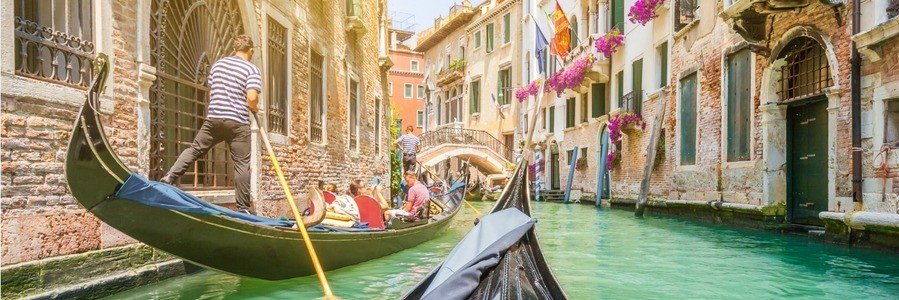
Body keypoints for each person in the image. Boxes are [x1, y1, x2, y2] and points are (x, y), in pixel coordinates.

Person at [159, 35, 262, 215]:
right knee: (242, 164)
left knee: (195, 149)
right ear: (251, 50)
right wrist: (254, 108)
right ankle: (243, 208)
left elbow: (212, 92)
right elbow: (252, 98)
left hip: (214, 118)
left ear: (234, 48)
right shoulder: (251, 69)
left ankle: (170, 176)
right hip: (238, 123)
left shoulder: (218, 65)